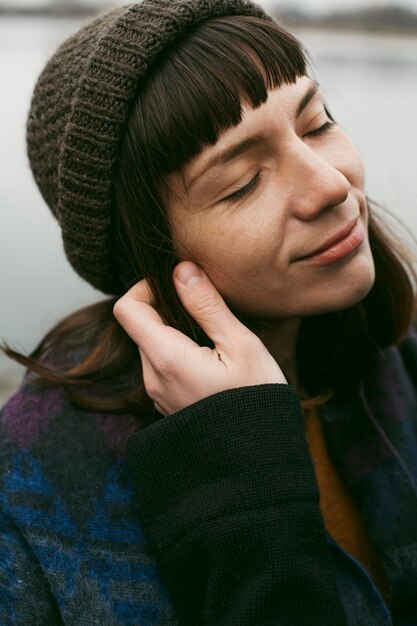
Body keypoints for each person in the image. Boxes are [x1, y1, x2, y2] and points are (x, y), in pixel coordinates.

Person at [1, 0, 417, 624]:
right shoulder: (30, 502)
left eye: (316, 123)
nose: (332, 185)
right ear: (147, 252)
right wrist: (241, 479)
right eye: (243, 181)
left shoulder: (394, 363)